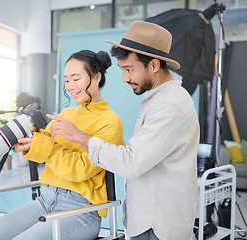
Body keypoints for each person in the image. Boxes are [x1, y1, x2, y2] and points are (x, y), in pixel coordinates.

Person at [47, 21, 200, 240]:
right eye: (122, 70)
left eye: (129, 70)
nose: (124, 78)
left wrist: (78, 137)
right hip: (146, 218)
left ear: (154, 65)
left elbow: (131, 162)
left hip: (157, 225)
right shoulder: (157, 98)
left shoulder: (170, 105)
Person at [0, 50, 124, 240]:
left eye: (75, 78)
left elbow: (80, 169)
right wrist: (29, 135)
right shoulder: (66, 114)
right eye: (66, 80)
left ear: (97, 77)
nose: (70, 86)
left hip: (82, 211)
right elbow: (42, 144)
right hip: (46, 200)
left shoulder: (110, 122)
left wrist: (44, 145)